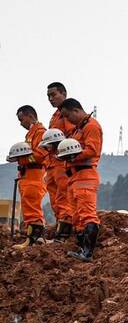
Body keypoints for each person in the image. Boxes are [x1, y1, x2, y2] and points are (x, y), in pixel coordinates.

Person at [60, 98, 102, 262]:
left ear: (76, 111)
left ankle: (87, 253)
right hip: (74, 176)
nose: (67, 120)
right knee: (76, 216)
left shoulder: (91, 126)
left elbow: (92, 150)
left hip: (85, 175)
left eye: (67, 115)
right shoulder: (79, 129)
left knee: (86, 214)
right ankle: (81, 249)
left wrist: (73, 156)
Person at [14, 105, 48, 247]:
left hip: (34, 176)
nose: (20, 123)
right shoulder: (31, 133)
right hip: (27, 175)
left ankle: (33, 240)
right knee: (29, 207)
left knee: (32, 208)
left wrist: (22, 159)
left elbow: (40, 155)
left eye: (21, 119)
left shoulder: (40, 132)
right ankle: (35, 239)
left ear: (29, 116)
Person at [45, 82, 75, 240]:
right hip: (51, 162)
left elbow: (72, 135)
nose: (50, 98)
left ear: (64, 93)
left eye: (53, 95)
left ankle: (65, 231)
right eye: (48, 96)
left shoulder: (67, 113)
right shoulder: (55, 116)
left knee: (63, 196)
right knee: (54, 198)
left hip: (62, 161)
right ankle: (60, 225)